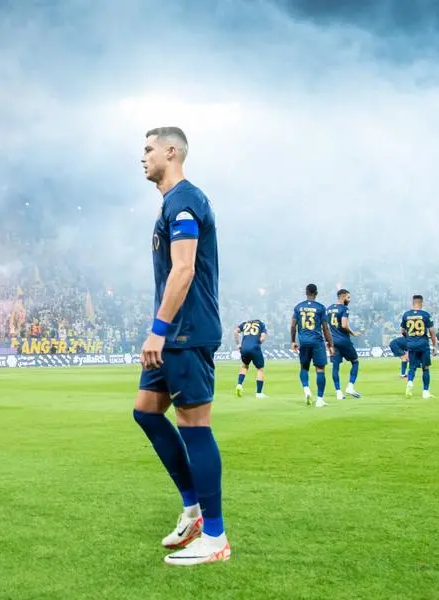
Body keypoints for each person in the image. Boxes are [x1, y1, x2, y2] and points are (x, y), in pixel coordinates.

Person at [133, 126, 229, 566]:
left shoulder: (186, 199)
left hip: (186, 331)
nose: (143, 156)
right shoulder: (170, 204)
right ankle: (192, 509)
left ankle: (215, 537)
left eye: (149, 149)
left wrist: (158, 327)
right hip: (173, 332)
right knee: (146, 412)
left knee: (195, 428)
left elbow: (184, 269)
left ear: (172, 152)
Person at [291, 284, 335, 407]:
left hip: (303, 341)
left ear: (306, 293)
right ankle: (320, 400)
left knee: (304, 367)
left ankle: (306, 389)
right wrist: (330, 344)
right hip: (317, 342)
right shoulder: (320, 308)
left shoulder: (298, 307)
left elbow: (293, 325)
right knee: (320, 369)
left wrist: (293, 341)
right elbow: (325, 328)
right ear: (316, 293)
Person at [326, 289, 362, 400]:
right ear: (342, 297)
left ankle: (338, 392)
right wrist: (353, 333)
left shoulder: (329, 309)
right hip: (343, 340)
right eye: (348, 297)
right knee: (355, 362)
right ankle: (350, 387)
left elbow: (326, 326)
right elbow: (344, 325)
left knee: (335, 367)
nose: (349, 300)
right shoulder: (344, 309)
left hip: (333, 341)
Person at [401, 295, 437, 399]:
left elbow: (402, 331)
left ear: (413, 302)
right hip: (423, 344)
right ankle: (425, 392)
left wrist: (409, 338)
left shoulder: (406, 315)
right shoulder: (425, 315)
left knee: (412, 367)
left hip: (411, 344)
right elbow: (432, 332)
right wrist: (435, 346)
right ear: (421, 303)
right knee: (425, 368)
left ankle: (410, 382)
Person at [233, 319, 268, 398]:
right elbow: (262, 338)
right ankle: (259, 393)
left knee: (244, 366)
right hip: (255, 348)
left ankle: (239, 384)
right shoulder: (261, 324)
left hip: (244, 348)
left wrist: (238, 344)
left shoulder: (245, 324)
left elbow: (235, 331)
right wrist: (257, 343)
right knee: (260, 369)